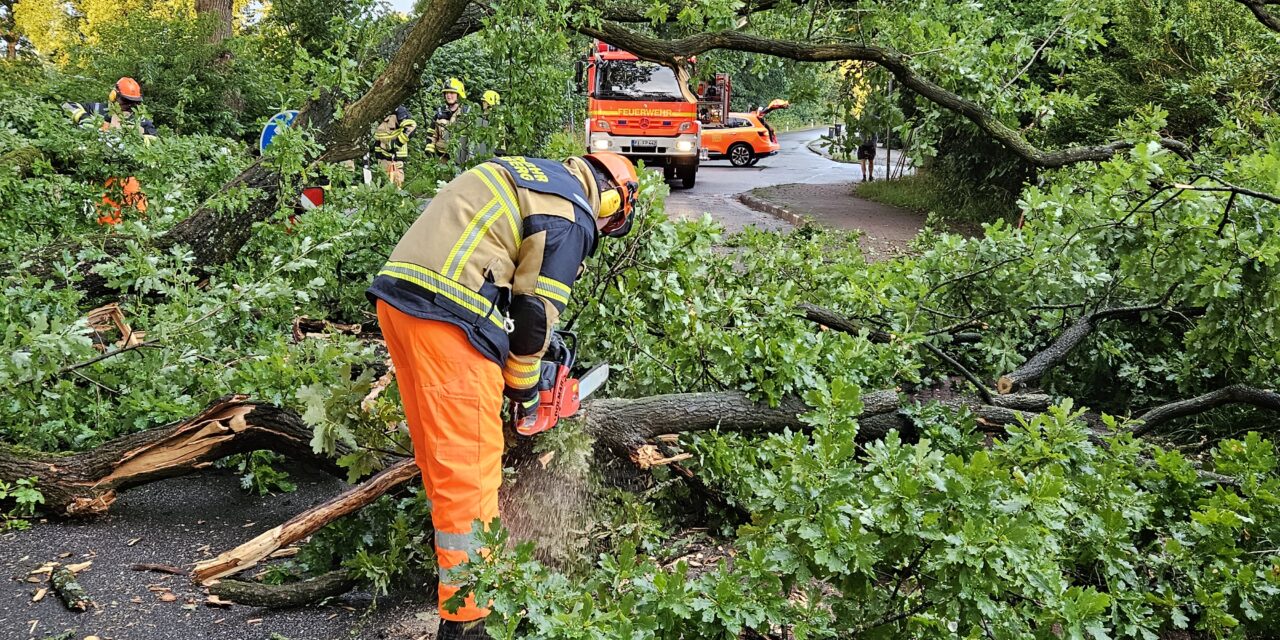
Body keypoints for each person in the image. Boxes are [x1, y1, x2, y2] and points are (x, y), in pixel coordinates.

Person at [366, 151, 638, 640]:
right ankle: (469, 621)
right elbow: (534, 314)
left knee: (440, 460)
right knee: (470, 471)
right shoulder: (572, 211)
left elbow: (512, 283)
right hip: (449, 315)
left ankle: (458, 587)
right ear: (613, 197)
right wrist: (526, 387)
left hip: (402, 300)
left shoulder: (536, 177)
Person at [64, 77, 157, 225]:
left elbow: (153, 140)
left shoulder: (141, 120)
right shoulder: (99, 110)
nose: (128, 107)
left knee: (139, 218)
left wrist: (135, 140)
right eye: (125, 101)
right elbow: (67, 106)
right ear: (114, 96)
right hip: (101, 175)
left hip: (127, 176)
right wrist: (84, 119)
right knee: (107, 221)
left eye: (133, 103)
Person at [373, 105, 417, 187]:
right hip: (381, 158)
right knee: (383, 189)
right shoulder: (376, 109)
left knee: (396, 188)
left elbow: (411, 127)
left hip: (395, 159)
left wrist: (396, 144)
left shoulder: (398, 111)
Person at [427, 77, 467, 159]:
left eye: (452, 93)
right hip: (441, 157)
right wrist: (429, 150)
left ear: (459, 95)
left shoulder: (466, 114)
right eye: (446, 93)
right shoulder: (439, 113)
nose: (448, 96)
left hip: (459, 159)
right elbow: (432, 133)